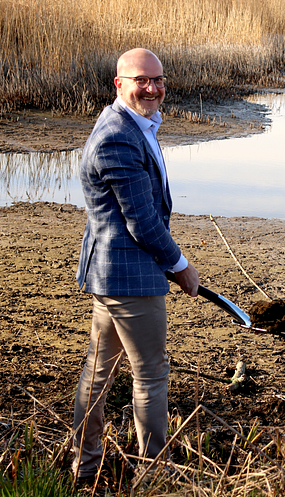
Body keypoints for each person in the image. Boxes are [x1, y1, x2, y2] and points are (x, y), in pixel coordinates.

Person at [72, 48, 201, 482]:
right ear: (119, 83)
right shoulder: (116, 135)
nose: (152, 87)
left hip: (114, 273)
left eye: (158, 80)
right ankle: (154, 473)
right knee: (150, 374)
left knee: (99, 369)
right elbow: (141, 219)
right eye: (141, 79)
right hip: (127, 275)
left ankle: (86, 467)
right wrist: (180, 265)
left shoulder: (136, 124)